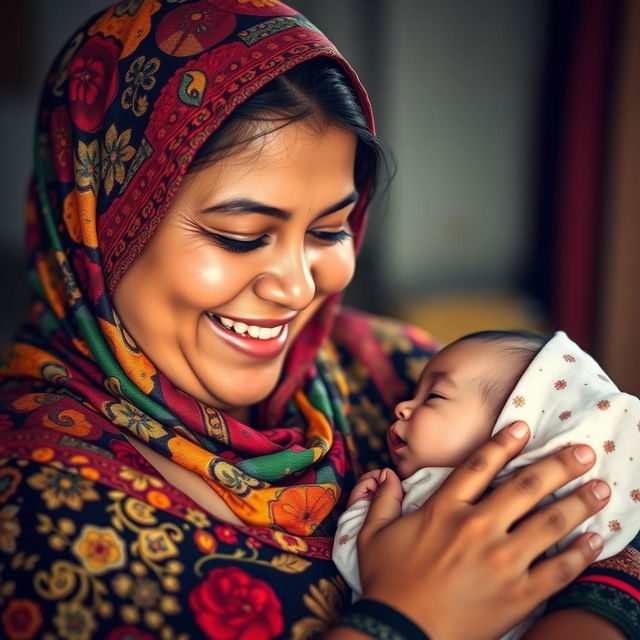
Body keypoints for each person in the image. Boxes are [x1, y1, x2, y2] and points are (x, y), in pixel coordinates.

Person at [0, 1, 636, 638]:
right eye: (241, 235)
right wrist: (407, 621)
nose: (299, 289)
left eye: (330, 230)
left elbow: (610, 496)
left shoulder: (393, 366)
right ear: (98, 222)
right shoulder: (31, 513)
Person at [333, 329, 640, 638]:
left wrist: (362, 513)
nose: (401, 407)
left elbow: (360, 566)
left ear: (522, 432)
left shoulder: (427, 493)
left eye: (434, 396)